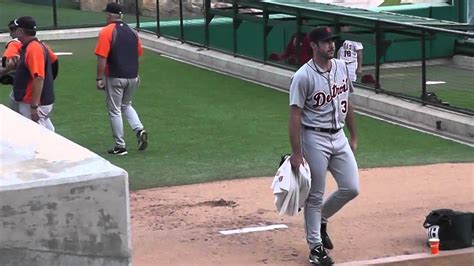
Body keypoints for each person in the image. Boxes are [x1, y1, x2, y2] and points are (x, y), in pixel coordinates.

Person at [288, 26, 359, 265]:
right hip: (314, 138)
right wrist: (297, 153)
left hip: (338, 136)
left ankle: (321, 219)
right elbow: (295, 115)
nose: (331, 45)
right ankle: (315, 248)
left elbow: (347, 101)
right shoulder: (303, 76)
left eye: (333, 41)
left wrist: (354, 135)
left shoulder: (341, 67)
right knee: (315, 196)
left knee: (351, 187)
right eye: (326, 42)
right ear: (314, 45)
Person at [95, 2, 148, 155]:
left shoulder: (107, 32)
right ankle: (139, 129)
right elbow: (137, 53)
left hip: (115, 77)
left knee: (114, 110)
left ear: (109, 15)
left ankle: (120, 146)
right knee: (126, 104)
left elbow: (102, 57)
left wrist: (99, 78)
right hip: (132, 76)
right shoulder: (132, 31)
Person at [12, 16, 58, 131]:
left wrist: (34, 106)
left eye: (16, 29)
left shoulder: (33, 49)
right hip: (40, 100)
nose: (14, 32)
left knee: (35, 139)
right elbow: (54, 61)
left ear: (21, 31)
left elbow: (38, 78)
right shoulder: (36, 46)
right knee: (49, 131)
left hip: (33, 102)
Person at [1, 20, 22, 112]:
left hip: (24, 90)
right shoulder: (36, 42)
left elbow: (6, 60)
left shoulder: (14, 43)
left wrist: (5, 70)